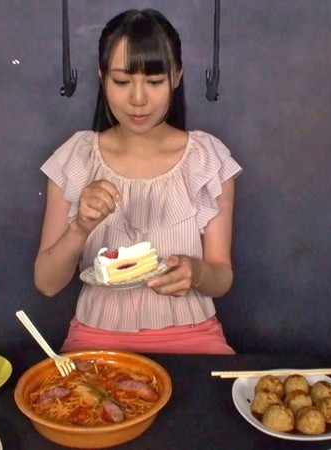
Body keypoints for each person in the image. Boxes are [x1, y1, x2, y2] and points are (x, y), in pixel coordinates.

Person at [34, 9, 241, 354]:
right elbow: (46, 283)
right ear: (102, 76)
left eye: (155, 81)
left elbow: (222, 277)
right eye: (121, 81)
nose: (138, 99)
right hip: (96, 338)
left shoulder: (206, 158)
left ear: (177, 77)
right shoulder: (77, 157)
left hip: (193, 336)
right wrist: (79, 227)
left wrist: (198, 273)